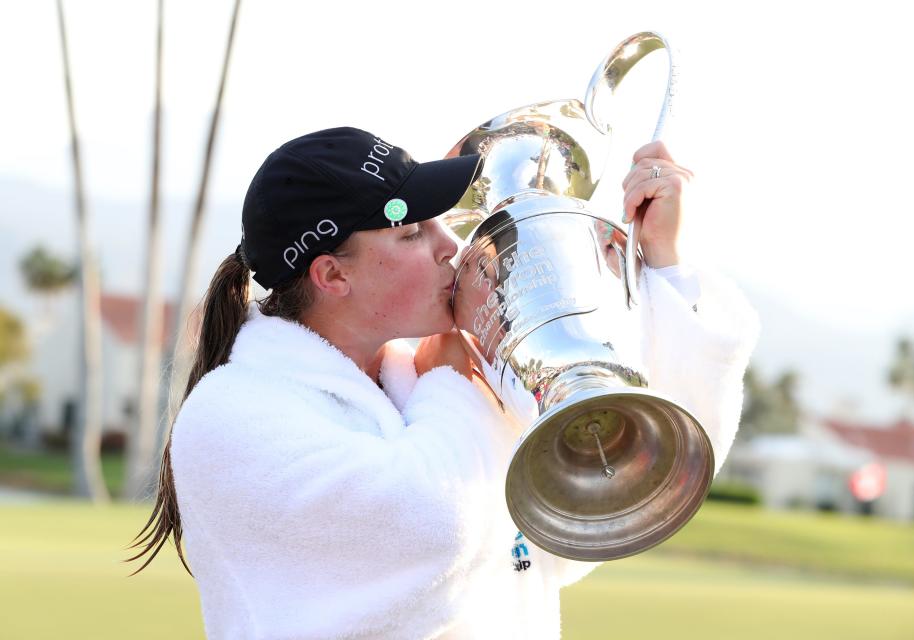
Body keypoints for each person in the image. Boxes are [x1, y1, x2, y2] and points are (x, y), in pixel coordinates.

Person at [125, 126, 759, 639]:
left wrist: (664, 266)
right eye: (412, 232)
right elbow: (431, 531)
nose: (451, 244)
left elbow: (617, 491)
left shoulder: (423, 383)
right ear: (332, 275)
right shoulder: (232, 415)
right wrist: (456, 380)